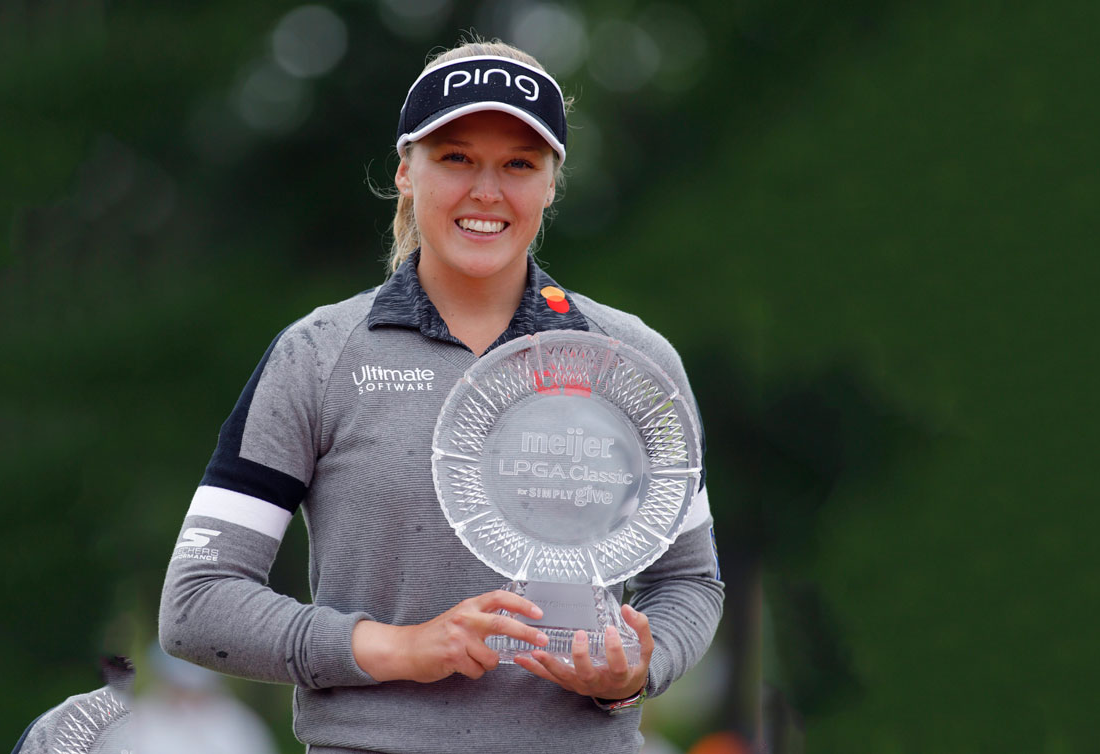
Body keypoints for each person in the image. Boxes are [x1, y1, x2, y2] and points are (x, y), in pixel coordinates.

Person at [159, 39, 723, 754]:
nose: (487, 192)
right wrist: (399, 647)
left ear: (551, 184)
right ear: (405, 171)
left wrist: (637, 671)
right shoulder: (320, 353)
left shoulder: (633, 361)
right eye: (456, 158)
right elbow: (197, 604)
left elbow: (690, 584)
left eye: (519, 164)